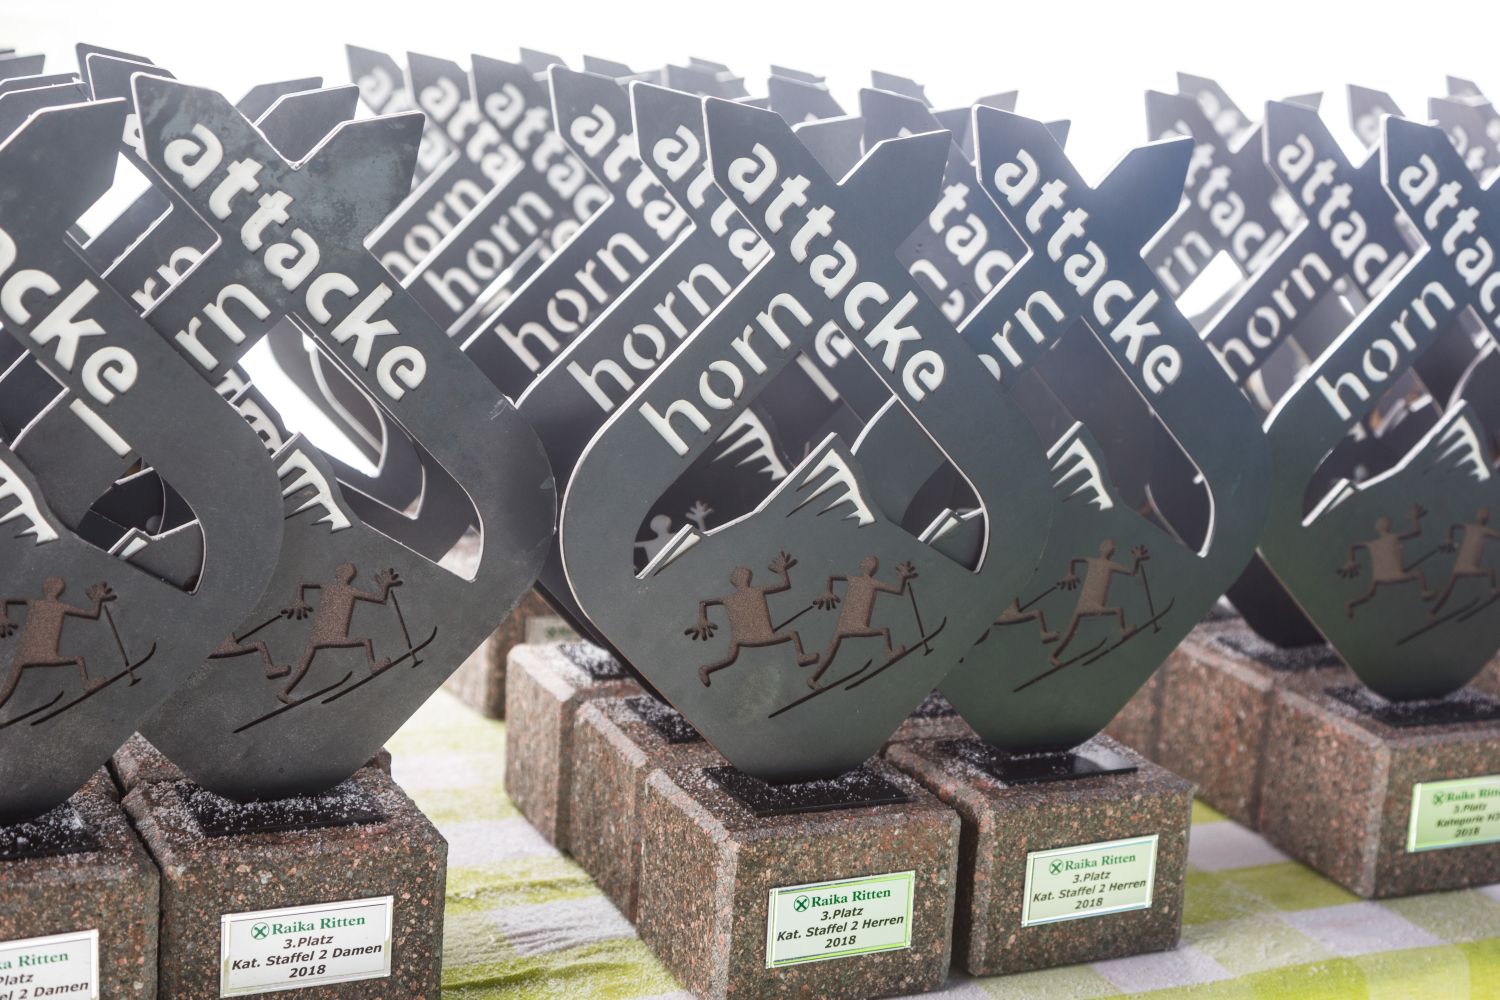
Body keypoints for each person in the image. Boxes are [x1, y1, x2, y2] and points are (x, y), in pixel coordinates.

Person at [687, 551, 817, 686]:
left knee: (729, 657)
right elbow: (783, 584)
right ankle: (801, 656)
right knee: (792, 634)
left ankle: (706, 669)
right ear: (747, 578)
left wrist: (702, 619)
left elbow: (704, 602)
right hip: (764, 636)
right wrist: (782, 570)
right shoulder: (756, 591)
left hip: (741, 640)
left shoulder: (728, 599)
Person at [278, 564, 402, 703]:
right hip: (330, 636)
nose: (346, 575)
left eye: (347, 573)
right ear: (341, 575)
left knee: (304, 663)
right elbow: (380, 597)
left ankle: (284, 691)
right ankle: (373, 666)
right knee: (364, 641)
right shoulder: (343, 589)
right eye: (345, 573)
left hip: (324, 636)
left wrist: (386, 586)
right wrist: (298, 601)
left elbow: (380, 598)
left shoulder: (333, 587)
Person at [0, 578, 114, 710]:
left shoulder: (36, 603)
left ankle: (87, 684)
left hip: (32, 655)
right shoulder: (55, 606)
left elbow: (4, 600)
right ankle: (86, 684)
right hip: (40, 654)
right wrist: (98, 599)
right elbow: (92, 613)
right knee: (78, 659)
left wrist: (3, 618)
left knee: (6, 689)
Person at [808, 556, 917, 687]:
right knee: (831, 650)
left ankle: (890, 653)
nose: (870, 566)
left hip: (858, 625)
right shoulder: (854, 579)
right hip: (846, 623)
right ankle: (813, 679)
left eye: (873, 564)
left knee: (883, 631)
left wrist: (903, 577)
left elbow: (898, 590)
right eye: (868, 563)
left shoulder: (873, 583)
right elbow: (831, 577)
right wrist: (828, 592)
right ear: (862, 565)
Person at [1049, 540, 1149, 664]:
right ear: (1102, 548)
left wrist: (1137, 560)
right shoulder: (1093, 561)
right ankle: (1123, 631)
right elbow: (1073, 560)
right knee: (1117, 611)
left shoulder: (1110, 565)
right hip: (1089, 603)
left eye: (1113, 547)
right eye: (1109, 546)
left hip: (1089, 604)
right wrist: (1069, 574)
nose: (1112, 549)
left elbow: (1131, 572)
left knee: (1069, 631)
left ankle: (1053, 655)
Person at [1339, 506, 1433, 618]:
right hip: (1394, 575)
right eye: (1384, 523)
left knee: (1370, 593)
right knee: (1418, 574)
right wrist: (1414, 518)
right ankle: (1424, 592)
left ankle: (1350, 604)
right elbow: (1416, 531)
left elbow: (1353, 547)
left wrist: (1351, 561)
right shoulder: (1389, 538)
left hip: (1379, 578)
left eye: (1385, 523)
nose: (1386, 525)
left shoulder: (1372, 544)